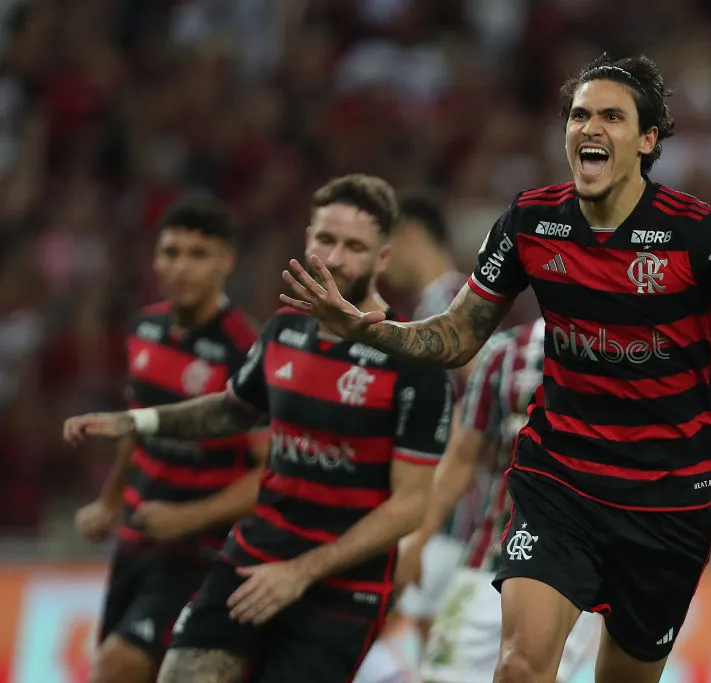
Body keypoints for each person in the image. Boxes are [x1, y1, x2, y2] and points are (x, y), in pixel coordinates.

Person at [280, 55, 711, 683]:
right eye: (578, 115)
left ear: (647, 142)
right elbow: (456, 336)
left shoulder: (697, 233)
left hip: (666, 503)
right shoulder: (532, 222)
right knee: (519, 665)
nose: (589, 128)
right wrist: (366, 328)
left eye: (610, 117)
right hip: (557, 481)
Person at [65, 174, 453, 683]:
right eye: (324, 240)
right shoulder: (283, 332)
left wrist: (301, 572)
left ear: (382, 258)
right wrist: (140, 420)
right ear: (307, 241)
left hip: (341, 585)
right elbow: (231, 411)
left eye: (354, 246)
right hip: (253, 555)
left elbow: (408, 507)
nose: (334, 259)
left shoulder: (412, 363)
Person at [68, 199, 265, 683]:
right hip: (136, 540)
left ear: (226, 261)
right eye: (170, 252)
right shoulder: (146, 329)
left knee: (118, 666)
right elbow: (138, 426)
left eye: (198, 254)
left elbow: (271, 470)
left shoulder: (247, 351)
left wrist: (188, 516)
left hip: (201, 552)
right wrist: (111, 500)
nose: (180, 267)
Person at [399, 317, 599, 683]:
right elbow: (461, 459)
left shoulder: (628, 357)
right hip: (490, 554)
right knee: (438, 676)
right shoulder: (504, 353)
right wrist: (417, 540)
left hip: (573, 569)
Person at [372, 194, 483, 656]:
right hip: (444, 519)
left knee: (431, 654)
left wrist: (422, 529)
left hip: (452, 523)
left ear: (410, 236)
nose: (381, 262)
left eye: (385, 246)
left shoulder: (452, 302)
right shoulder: (433, 307)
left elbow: (481, 397)